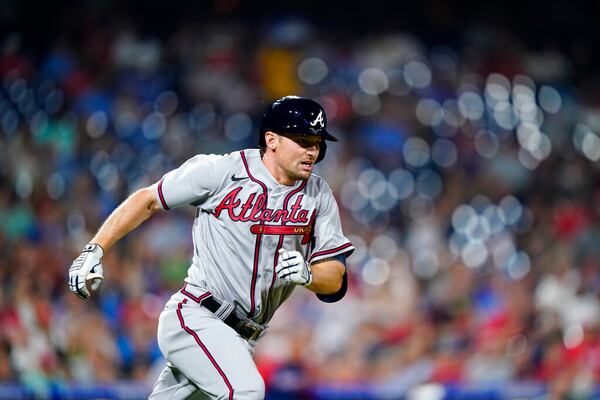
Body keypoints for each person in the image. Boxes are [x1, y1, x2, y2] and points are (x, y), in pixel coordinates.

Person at [68, 95, 355, 399]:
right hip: (197, 315)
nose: (312, 150)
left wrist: (309, 273)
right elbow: (148, 198)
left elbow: (335, 278)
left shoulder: (318, 196)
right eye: (302, 140)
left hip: (241, 338)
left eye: (317, 143)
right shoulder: (222, 171)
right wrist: (95, 249)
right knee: (245, 391)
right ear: (271, 139)